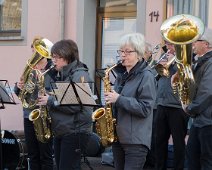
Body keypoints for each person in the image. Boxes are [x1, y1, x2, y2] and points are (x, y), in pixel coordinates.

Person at [37, 39, 93, 170]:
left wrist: (50, 100)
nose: (53, 60)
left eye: (56, 57)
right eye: (53, 57)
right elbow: (63, 98)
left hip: (75, 131)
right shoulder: (62, 74)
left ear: (66, 57)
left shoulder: (80, 75)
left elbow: (75, 105)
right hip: (63, 130)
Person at [105, 33, 157, 170]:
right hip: (119, 137)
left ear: (139, 54)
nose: (123, 55)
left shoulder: (146, 76)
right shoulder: (122, 75)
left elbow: (145, 108)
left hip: (135, 141)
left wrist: (119, 99)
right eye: (121, 51)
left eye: (128, 52)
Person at [14, 37, 54, 170]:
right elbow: (20, 94)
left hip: (44, 117)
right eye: (33, 53)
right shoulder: (30, 70)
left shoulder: (52, 72)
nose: (34, 57)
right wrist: (19, 86)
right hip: (29, 116)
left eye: (37, 53)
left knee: (46, 155)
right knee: (32, 154)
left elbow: (55, 92)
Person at [177, 28, 212, 170]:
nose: (193, 44)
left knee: (206, 160)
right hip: (200, 120)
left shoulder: (210, 62)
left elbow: (207, 92)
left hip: (207, 121)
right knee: (192, 158)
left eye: (196, 40)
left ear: (207, 44)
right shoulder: (201, 61)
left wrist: (190, 108)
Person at [154, 41, 189, 170]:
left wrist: (174, 64)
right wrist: (160, 67)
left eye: (171, 45)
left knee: (178, 143)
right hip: (161, 104)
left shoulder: (185, 58)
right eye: (167, 44)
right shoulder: (164, 57)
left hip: (177, 107)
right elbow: (154, 77)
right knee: (159, 141)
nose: (168, 47)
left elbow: (186, 78)